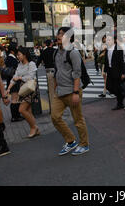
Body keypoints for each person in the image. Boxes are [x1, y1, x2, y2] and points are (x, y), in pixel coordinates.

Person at [52, 27, 89, 156]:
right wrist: (54, 89)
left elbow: (77, 73)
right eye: (58, 33)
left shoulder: (73, 53)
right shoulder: (56, 53)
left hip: (72, 91)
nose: (59, 36)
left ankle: (84, 144)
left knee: (78, 120)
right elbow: (57, 71)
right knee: (55, 117)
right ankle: (71, 140)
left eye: (62, 34)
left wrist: (75, 93)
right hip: (60, 91)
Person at [7, 47, 40, 138]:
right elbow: (15, 76)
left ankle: (34, 127)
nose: (18, 57)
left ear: (24, 55)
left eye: (19, 55)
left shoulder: (31, 64)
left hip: (30, 88)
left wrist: (20, 78)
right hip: (23, 89)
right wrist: (9, 88)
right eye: (17, 55)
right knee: (28, 111)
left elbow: (31, 77)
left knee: (22, 110)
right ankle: (34, 129)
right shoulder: (20, 64)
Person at [104, 35, 125, 110]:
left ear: (114, 41)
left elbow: (122, 62)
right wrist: (105, 71)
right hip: (110, 71)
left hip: (117, 71)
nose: (108, 41)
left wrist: (123, 73)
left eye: (109, 40)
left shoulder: (118, 49)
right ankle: (121, 97)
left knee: (117, 87)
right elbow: (106, 60)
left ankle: (120, 103)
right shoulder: (107, 49)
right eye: (107, 40)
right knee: (109, 86)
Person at [36, 39, 56, 115]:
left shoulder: (43, 52)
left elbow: (38, 62)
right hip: (56, 71)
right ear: (51, 43)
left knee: (51, 91)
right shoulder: (55, 51)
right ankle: (57, 108)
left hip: (48, 72)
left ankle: (52, 109)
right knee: (56, 91)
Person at [4, 45, 21, 122]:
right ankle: (15, 116)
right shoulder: (12, 58)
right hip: (13, 80)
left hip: (11, 80)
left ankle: (16, 115)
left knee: (16, 98)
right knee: (14, 99)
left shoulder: (8, 58)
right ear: (12, 51)